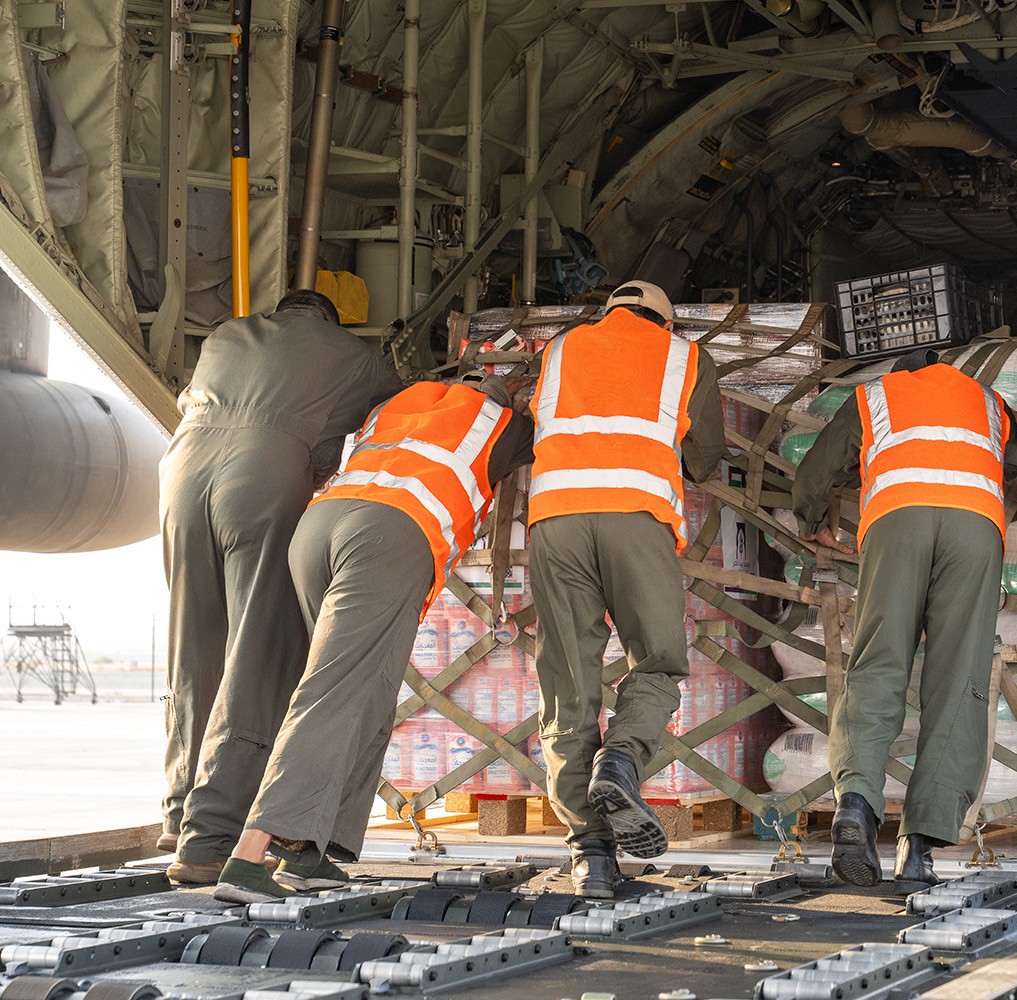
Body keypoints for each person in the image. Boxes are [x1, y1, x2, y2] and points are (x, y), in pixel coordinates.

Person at [214, 373, 533, 902]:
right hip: (389, 537)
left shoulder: (403, 404)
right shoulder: (500, 422)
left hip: (318, 528)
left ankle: (307, 851)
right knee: (335, 693)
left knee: (367, 691)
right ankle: (249, 857)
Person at [162, 290, 405, 884]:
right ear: (328, 315)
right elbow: (405, 408)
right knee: (258, 654)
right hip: (259, 477)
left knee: (192, 649)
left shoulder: (225, 334)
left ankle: (177, 810)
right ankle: (210, 836)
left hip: (181, 471)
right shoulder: (351, 353)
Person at [792, 348, 1017, 892]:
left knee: (877, 666)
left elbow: (817, 470)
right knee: (958, 678)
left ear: (902, 373)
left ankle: (856, 805)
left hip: (898, 521)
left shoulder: (877, 396)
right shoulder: (990, 402)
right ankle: (919, 848)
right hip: (974, 529)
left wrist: (811, 520)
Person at [527, 280, 724, 898]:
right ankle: (621, 762)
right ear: (665, 322)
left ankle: (591, 854)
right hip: (635, 515)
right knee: (657, 658)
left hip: (554, 519)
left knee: (569, 681)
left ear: (608, 311)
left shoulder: (557, 350)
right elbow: (704, 457)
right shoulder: (685, 356)